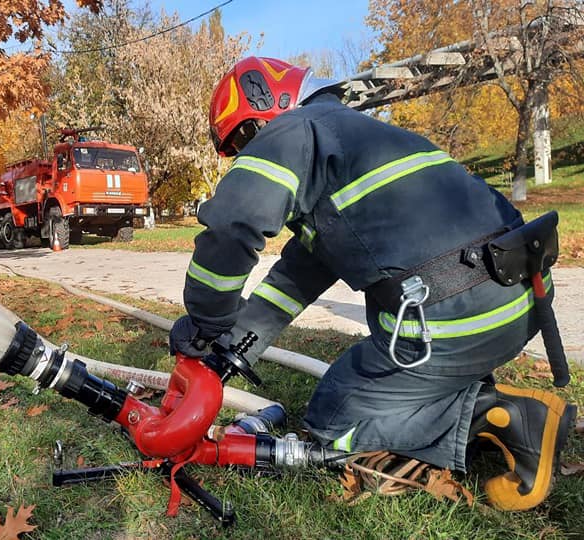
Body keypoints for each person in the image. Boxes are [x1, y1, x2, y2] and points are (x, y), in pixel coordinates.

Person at [169, 57, 576, 511]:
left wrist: (205, 320)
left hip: (453, 319)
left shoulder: (293, 130)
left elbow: (231, 226)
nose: (246, 155)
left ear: (268, 104)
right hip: (518, 304)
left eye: (243, 138)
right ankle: (460, 392)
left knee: (333, 417)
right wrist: (231, 348)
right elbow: (295, 280)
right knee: (384, 382)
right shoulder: (353, 143)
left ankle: (505, 418)